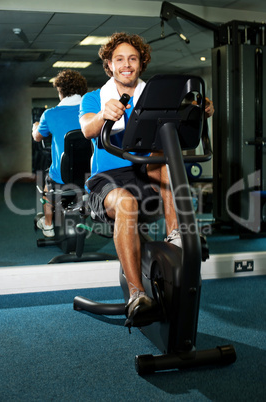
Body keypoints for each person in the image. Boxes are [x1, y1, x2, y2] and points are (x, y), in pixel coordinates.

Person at [79, 32, 214, 323]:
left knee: (166, 160)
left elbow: (181, 118)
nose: (126, 64)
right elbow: (88, 129)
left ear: (141, 64)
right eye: (119, 59)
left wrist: (200, 111)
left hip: (145, 173)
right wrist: (105, 113)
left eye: (133, 59)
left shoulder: (155, 95)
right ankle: (136, 295)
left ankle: (176, 236)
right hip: (108, 182)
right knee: (126, 204)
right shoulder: (94, 97)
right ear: (109, 65)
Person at [32, 69, 88, 237]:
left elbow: (37, 137)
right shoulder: (92, 111)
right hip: (91, 174)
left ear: (60, 91)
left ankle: (48, 224)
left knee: (48, 186)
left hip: (62, 177)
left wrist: (36, 125)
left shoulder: (50, 114)